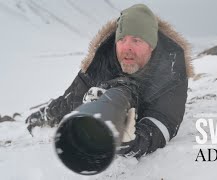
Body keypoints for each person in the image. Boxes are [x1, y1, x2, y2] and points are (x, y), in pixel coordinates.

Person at [25, 4, 193, 158]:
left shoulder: (171, 69)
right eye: (121, 39)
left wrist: (132, 142)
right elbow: (69, 101)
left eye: (136, 40)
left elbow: (163, 123)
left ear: (152, 45)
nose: (127, 47)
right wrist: (43, 116)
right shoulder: (100, 62)